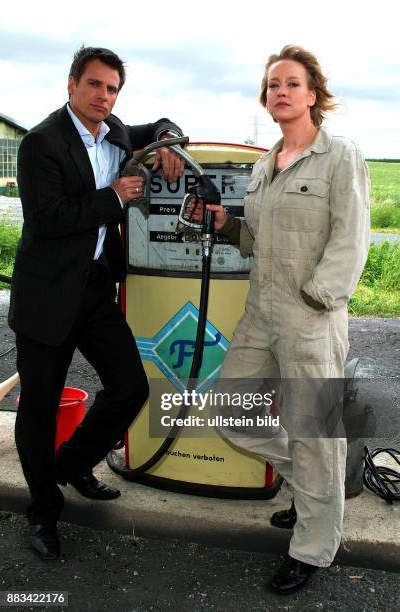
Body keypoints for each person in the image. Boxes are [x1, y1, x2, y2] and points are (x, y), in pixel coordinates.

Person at [193, 45, 370, 594]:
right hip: (260, 311)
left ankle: (315, 546)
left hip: (311, 316)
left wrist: (321, 297)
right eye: (273, 85)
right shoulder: (263, 167)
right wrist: (224, 224)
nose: (280, 92)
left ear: (312, 94)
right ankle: (311, 492)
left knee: (316, 432)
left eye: (291, 83)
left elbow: (352, 237)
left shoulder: (340, 156)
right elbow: (256, 241)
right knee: (230, 410)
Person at [8, 45, 185, 560]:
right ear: (71, 85)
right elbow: (49, 219)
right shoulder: (42, 142)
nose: (103, 96)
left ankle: (72, 465)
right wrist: (115, 196)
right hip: (46, 294)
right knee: (38, 410)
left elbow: (156, 127)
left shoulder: (118, 133)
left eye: (112, 88)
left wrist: (170, 137)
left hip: (92, 290)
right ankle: (43, 513)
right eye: (94, 85)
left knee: (129, 387)